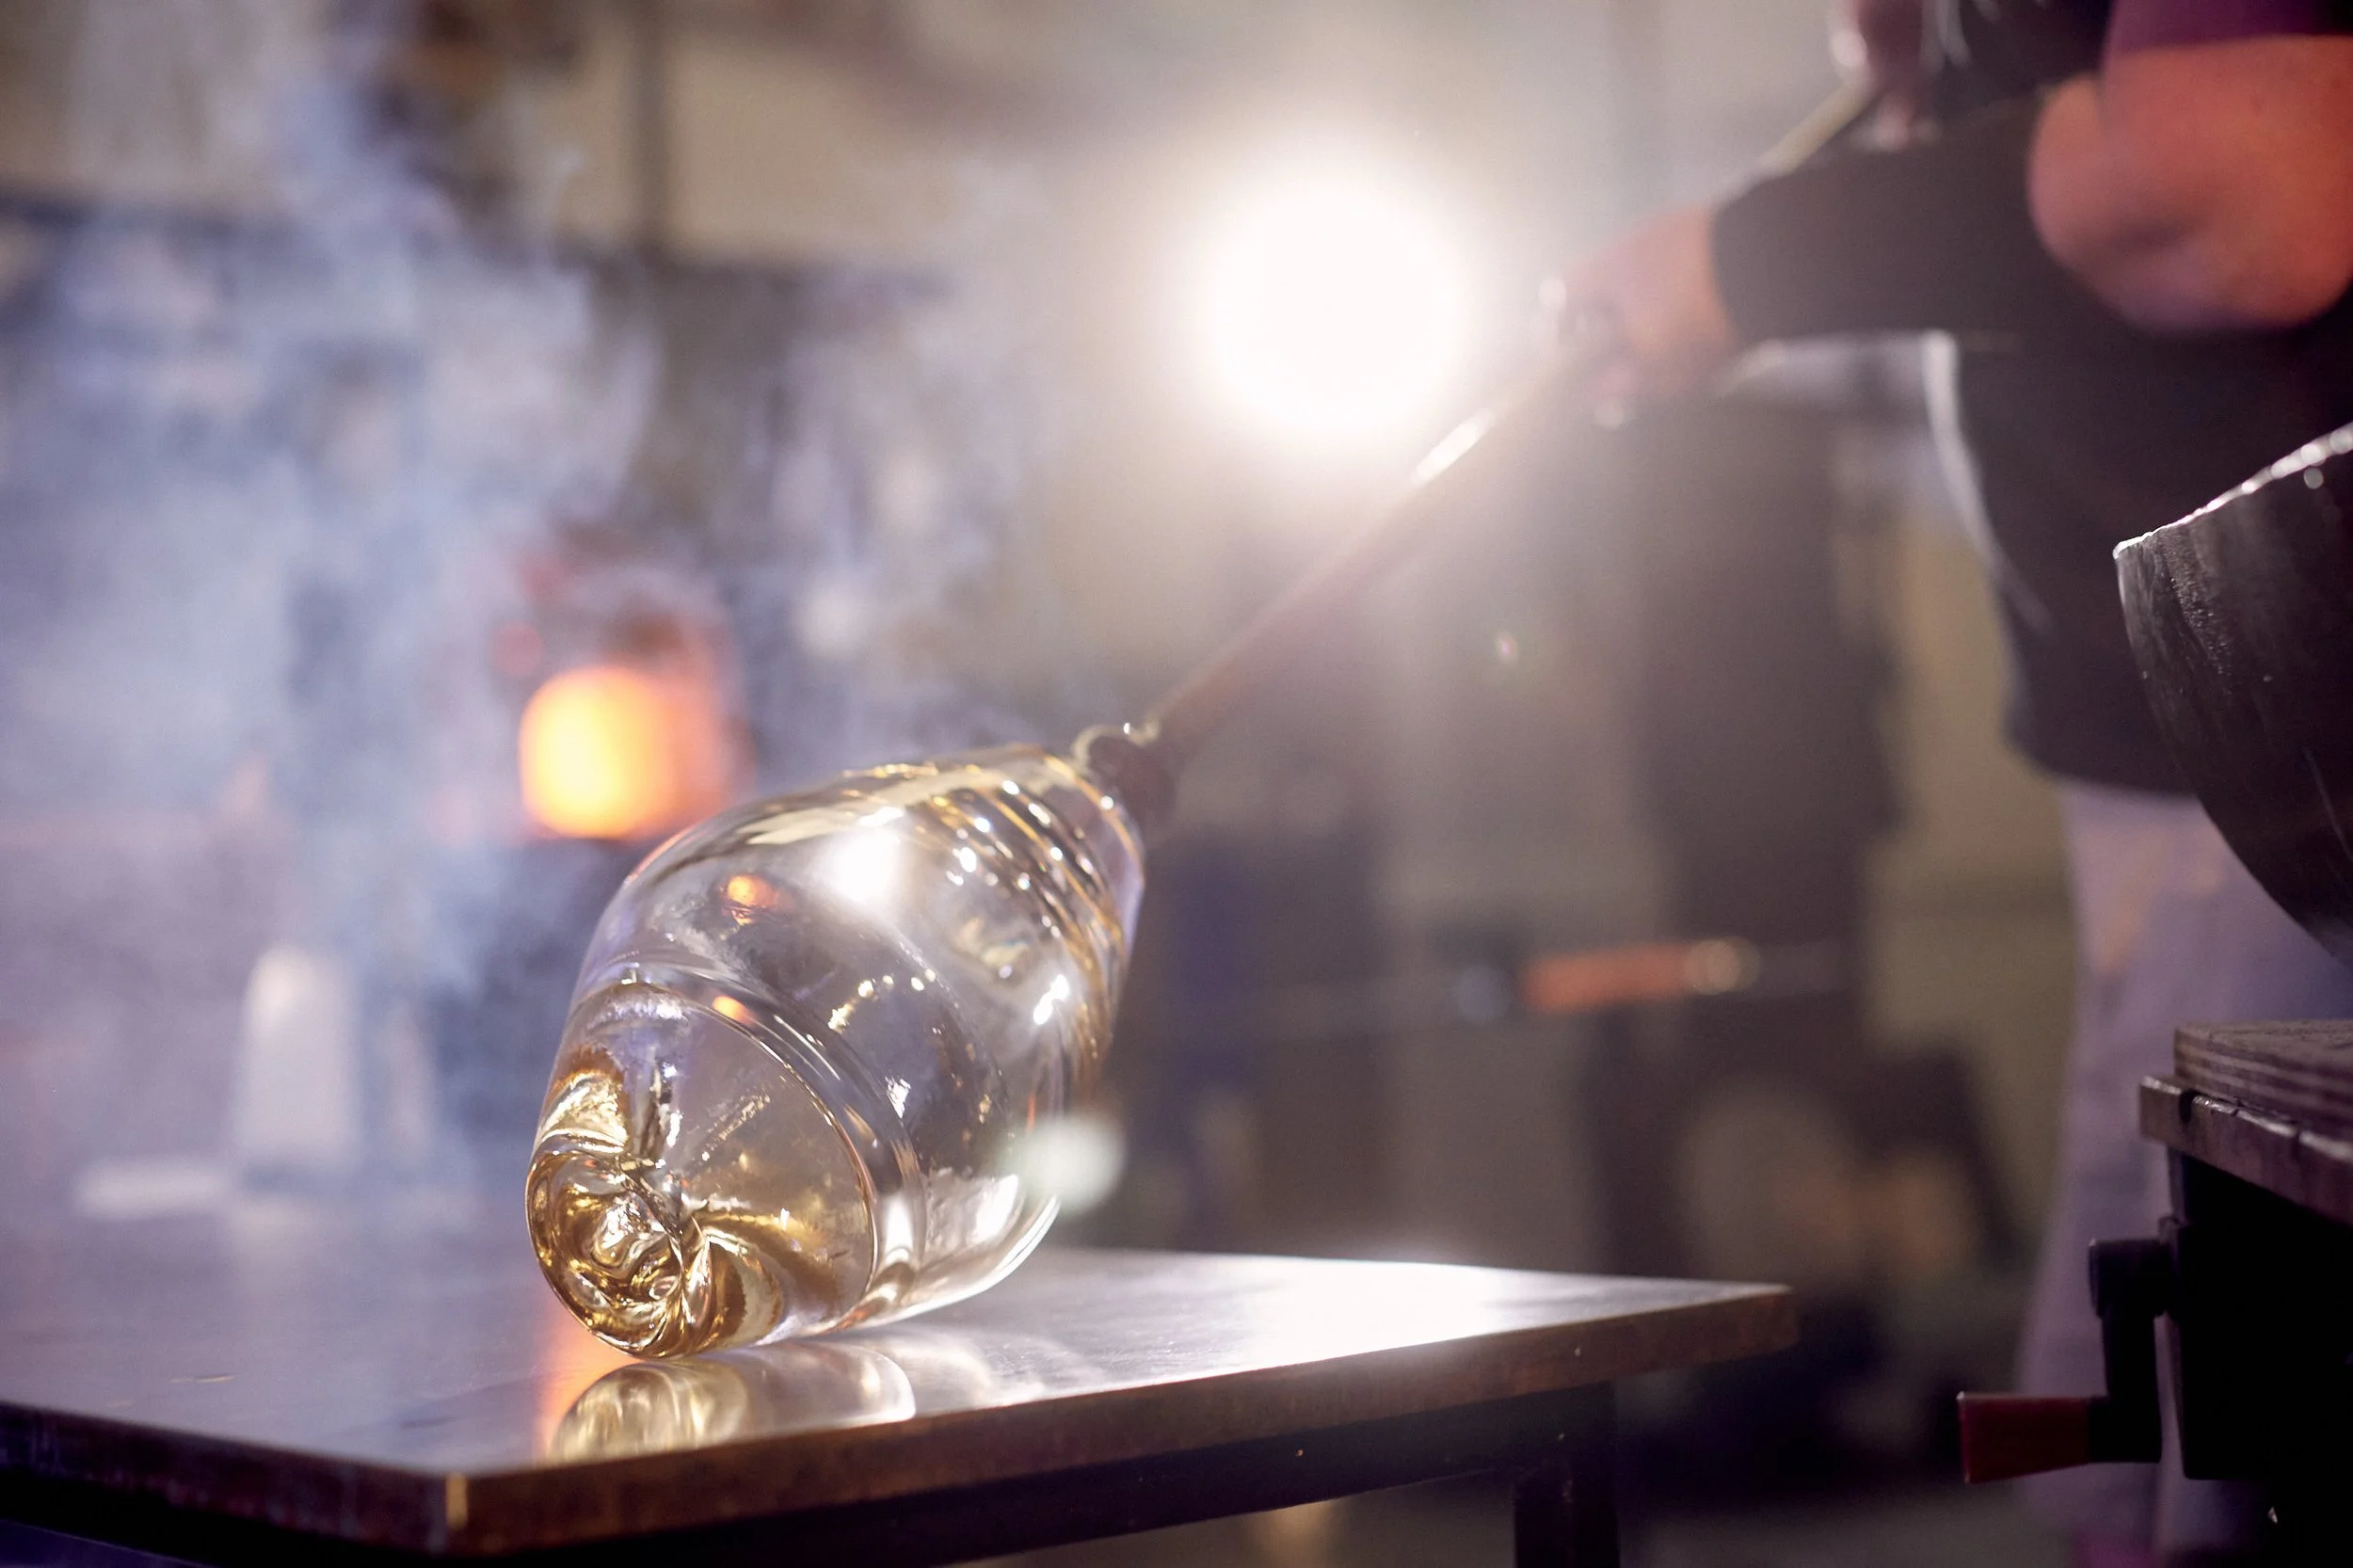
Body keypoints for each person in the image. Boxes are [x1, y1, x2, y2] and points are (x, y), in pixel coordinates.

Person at [1549, 4, 2353, 1564]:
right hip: (2195, 778)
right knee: (2142, 1482)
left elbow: (2248, 175)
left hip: (2286, 779)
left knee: (2230, 1488)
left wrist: (1746, 262)